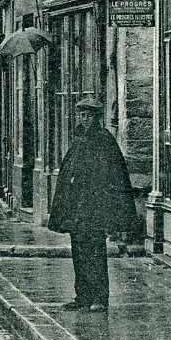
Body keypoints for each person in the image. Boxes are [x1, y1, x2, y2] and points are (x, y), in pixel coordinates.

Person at [47, 99, 137, 311]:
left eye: (87, 116)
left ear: (96, 118)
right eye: (80, 115)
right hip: (78, 208)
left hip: (95, 208)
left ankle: (99, 298)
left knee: (95, 252)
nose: (83, 119)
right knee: (79, 252)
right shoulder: (80, 141)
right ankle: (83, 297)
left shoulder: (104, 141)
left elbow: (114, 177)